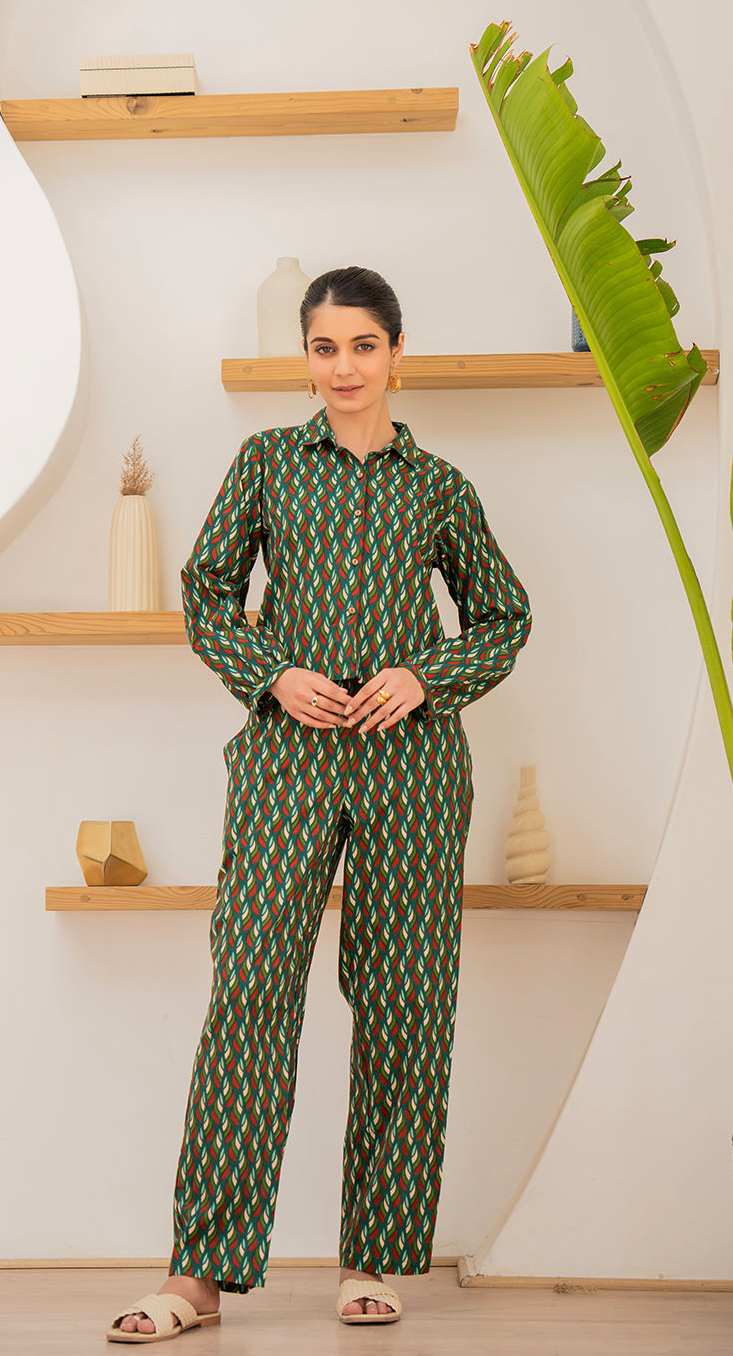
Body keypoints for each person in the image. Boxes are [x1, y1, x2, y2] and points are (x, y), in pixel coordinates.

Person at [107, 266, 531, 1343]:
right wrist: (272, 673)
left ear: (396, 353)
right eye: (325, 347)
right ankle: (199, 1277)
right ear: (306, 356)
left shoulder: (438, 487)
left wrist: (427, 677)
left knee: (403, 1008)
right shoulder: (265, 465)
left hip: (413, 771)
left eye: (363, 346)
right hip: (286, 763)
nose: (344, 367)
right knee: (250, 994)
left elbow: (505, 615)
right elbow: (206, 593)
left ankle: (371, 1262)